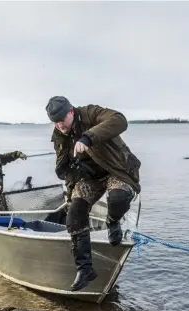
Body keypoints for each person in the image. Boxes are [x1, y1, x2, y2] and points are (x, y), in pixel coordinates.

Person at [46, 96, 141, 291]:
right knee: (74, 214)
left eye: (62, 120)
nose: (59, 125)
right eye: (55, 122)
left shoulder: (90, 113)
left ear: (71, 111)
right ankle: (85, 269)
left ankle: (113, 222)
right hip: (90, 178)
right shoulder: (59, 135)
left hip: (116, 171)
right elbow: (65, 169)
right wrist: (70, 181)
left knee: (118, 198)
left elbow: (120, 120)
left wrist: (88, 137)